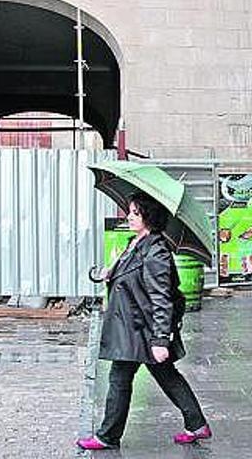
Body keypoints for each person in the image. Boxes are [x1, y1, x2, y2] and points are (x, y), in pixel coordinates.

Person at [76, 193, 212, 450]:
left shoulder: (156, 251)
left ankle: (107, 436)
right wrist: (110, 273)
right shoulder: (136, 242)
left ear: (149, 216)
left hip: (141, 329)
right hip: (132, 327)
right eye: (129, 211)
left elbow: (162, 298)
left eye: (135, 213)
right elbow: (131, 275)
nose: (129, 216)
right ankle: (196, 424)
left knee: (120, 378)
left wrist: (160, 340)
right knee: (166, 375)